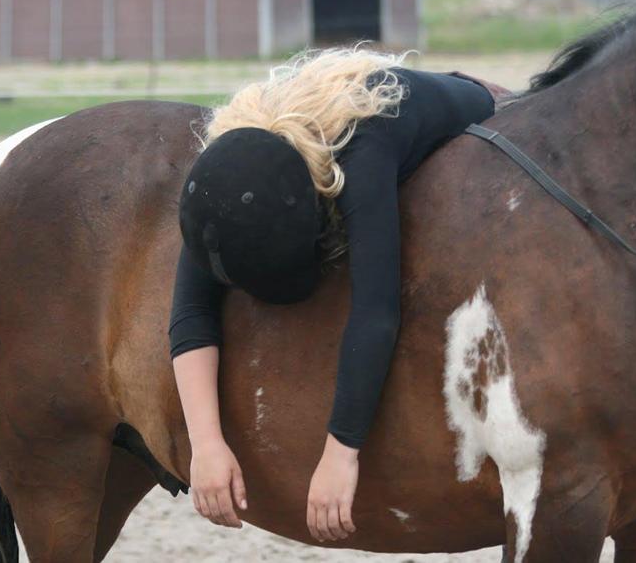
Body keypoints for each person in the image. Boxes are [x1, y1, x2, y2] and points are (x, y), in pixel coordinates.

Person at [168, 48, 497, 543]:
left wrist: (340, 455)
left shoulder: (364, 151)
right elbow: (191, 310)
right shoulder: (227, 166)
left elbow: (376, 312)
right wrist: (206, 445)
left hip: (480, 106)